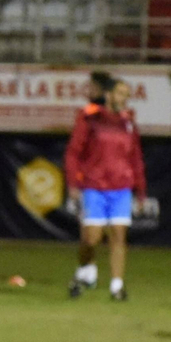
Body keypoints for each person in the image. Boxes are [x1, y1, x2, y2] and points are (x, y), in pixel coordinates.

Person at [65, 76, 145, 301]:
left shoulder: (128, 123)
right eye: (120, 93)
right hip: (94, 186)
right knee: (91, 239)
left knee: (119, 235)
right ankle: (85, 269)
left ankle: (117, 286)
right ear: (109, 95)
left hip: (121, 186)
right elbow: (74, 152)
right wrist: (73, 182)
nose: (124, 99)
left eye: (127, 95)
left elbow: (136, 156)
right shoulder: (90, 118)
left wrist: (140, 188)